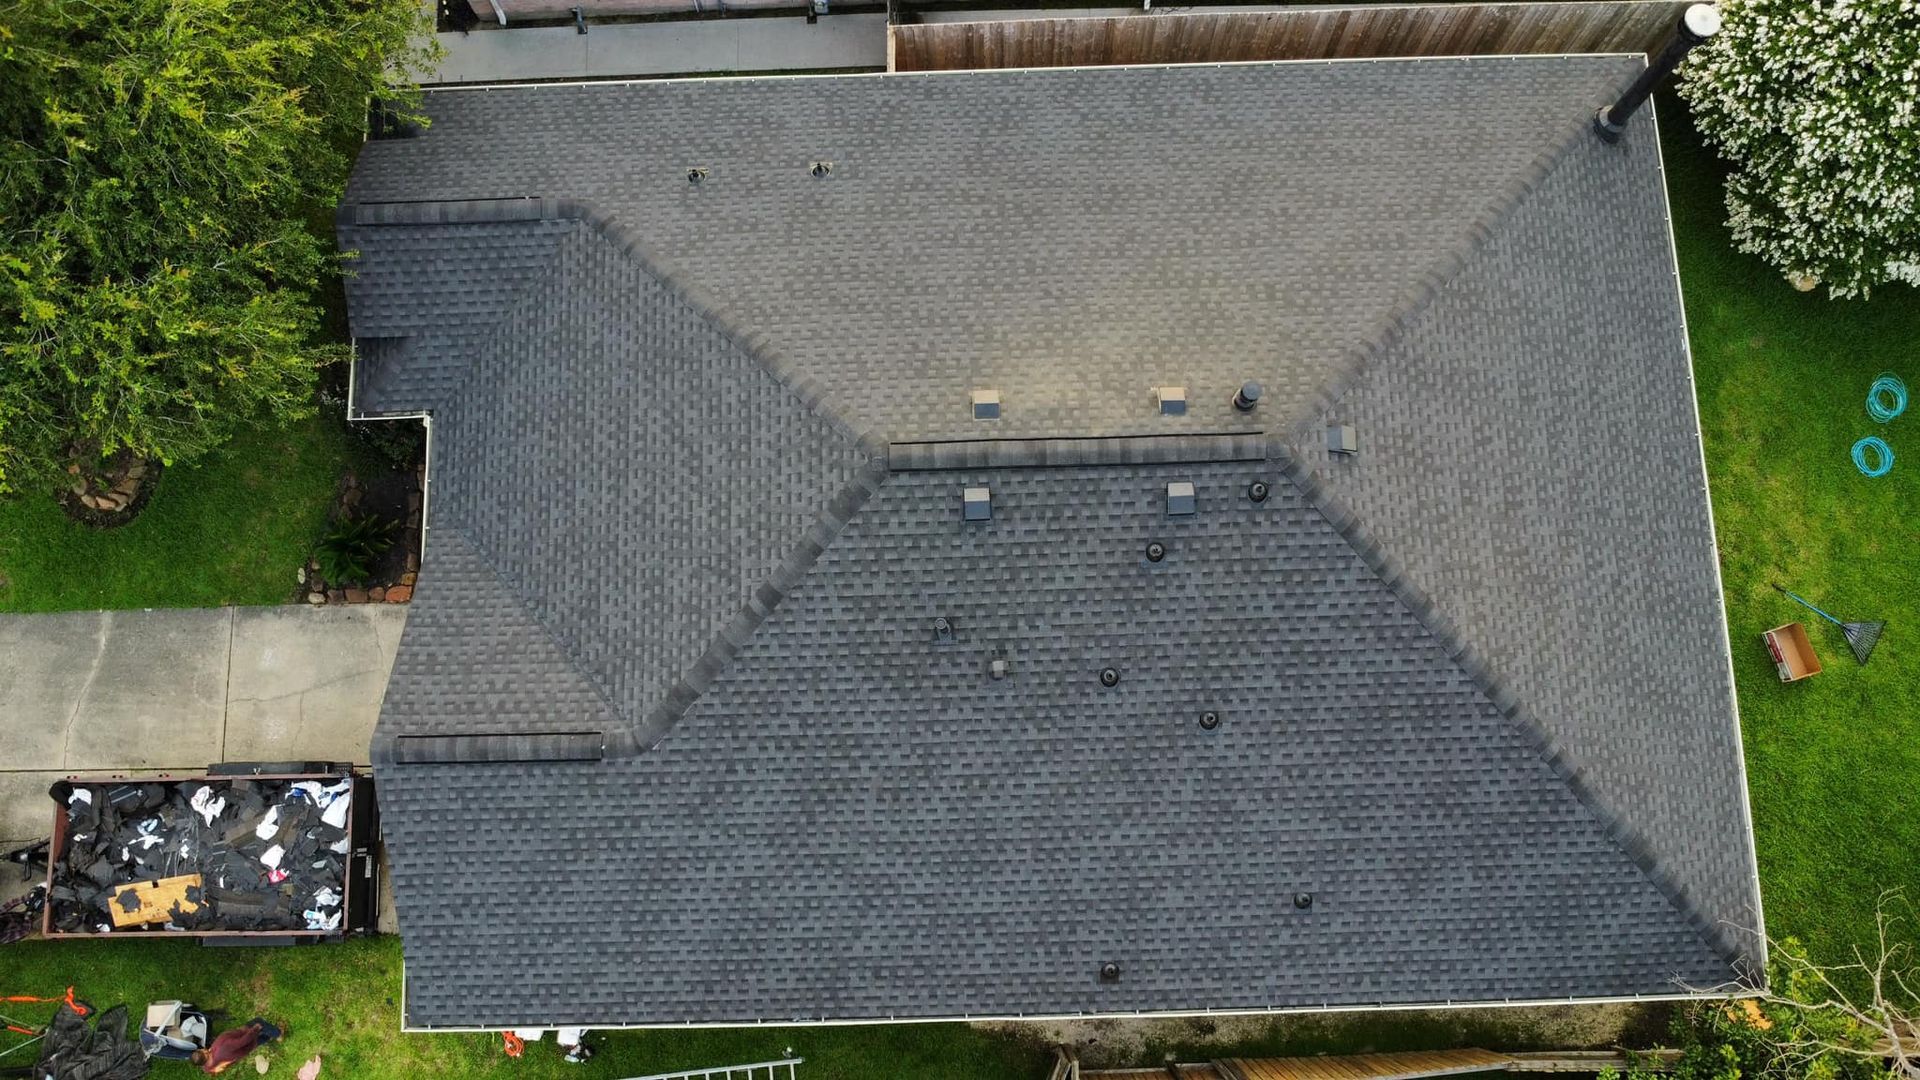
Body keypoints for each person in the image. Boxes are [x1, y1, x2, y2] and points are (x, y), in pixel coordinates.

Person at [189, 1018, 283, 1075]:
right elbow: (242, 1041)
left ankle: (269, 1036)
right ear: (204, 1053)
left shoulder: (207, 1068)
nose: (203, 1048)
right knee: (259, 1022)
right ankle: (278, 1034)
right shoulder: (222, 1048)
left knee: (258, 1041)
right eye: (202, 1050)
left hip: (243, 1051)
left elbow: (220, 1068)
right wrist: (254, 1029)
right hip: (245, 1037)